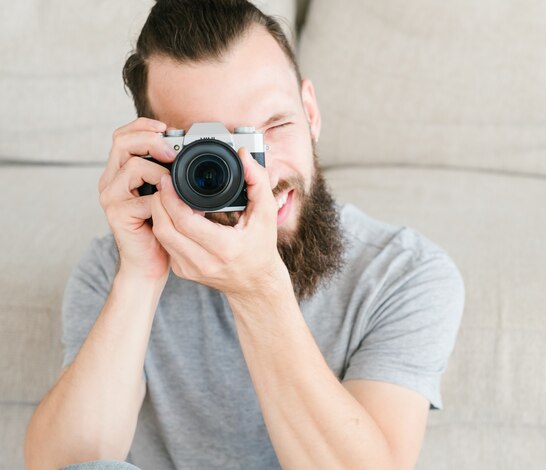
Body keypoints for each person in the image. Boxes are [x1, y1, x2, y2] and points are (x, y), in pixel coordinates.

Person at [24, 1, 464, 469]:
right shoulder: (113, 271)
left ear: (310, 113)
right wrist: (139, 278)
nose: (257, 172)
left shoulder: (404, 274)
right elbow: (64, 465)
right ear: (158, 152)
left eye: (273, 127)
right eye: (214, 151)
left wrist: (258, 291)